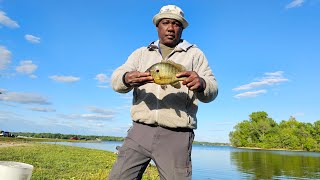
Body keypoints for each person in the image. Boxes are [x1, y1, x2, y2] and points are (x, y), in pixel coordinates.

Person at [109, 4, 218, 180]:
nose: (170, 28)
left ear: (181, 29)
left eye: (176, 24)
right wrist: (126, 78)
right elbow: (116, 79)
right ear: (157, 27)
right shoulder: (141, 53)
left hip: (177, 135)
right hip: (139, 131)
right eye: (165, 23)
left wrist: (202, 83)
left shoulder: (195, 54)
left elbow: (213, 89)